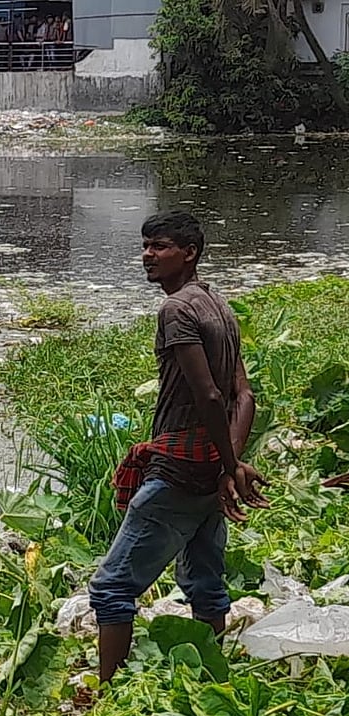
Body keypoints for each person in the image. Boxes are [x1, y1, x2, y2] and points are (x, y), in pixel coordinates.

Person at [88, 212, 270, 684]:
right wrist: (228, 467)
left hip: (180, 469)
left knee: (111, 588)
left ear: (189, 252)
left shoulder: (177, 310)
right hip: (209, 469)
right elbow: (243, 395)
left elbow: (210, 394)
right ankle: (213, 676)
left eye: (160, 247)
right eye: (146, 246)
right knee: (204, 582)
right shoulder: (217, 303)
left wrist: (228, 465)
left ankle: (108, 693)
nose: (148, 255)